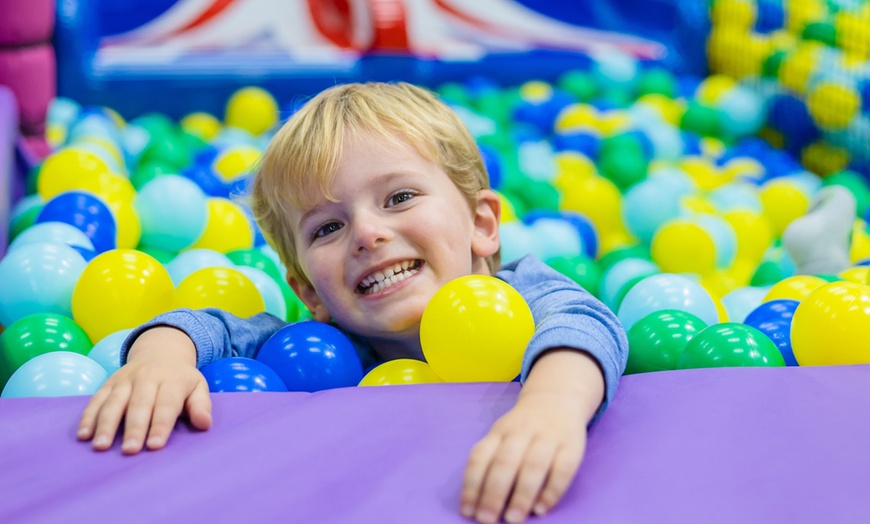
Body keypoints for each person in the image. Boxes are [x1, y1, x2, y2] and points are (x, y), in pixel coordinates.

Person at [77, 82, 628, 524]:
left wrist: (551, 407)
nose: (366, 233)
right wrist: (158, 364)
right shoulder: (323, 347)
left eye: (399, 197)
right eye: (328, 227)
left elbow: (582, 322)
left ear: (482, 225)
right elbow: (209, 327)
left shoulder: (520, 294)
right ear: (310, 293)